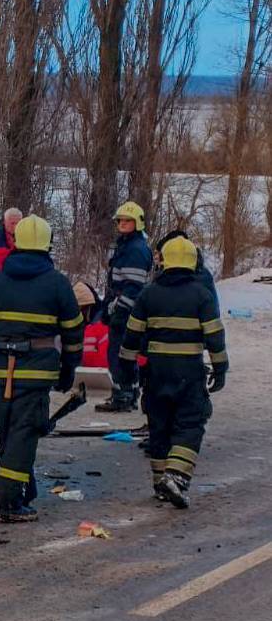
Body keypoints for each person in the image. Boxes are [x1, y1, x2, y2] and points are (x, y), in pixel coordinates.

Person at [0, 215, 83, 523]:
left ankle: (22, 489)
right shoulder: (57, 283)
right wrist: (68, 370)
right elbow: (73, 333)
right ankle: (9, 500)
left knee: (9, 435)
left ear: (15, 242)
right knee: (23, 435)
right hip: (35, 375)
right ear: (47, 245)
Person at [118, 236, 227, 509]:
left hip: (155, 371)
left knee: (159, 424)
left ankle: (160, 483)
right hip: (188, 371)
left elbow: (131, 335)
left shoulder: (149, 293)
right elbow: (215, 335)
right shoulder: (201, 294)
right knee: (190, 422)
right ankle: (176, 477)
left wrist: (126, 369)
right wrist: (221, 367)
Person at [96, 201, 153, 413]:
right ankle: (127, 393)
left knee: (119, 354)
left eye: (127, 220)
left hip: (126, 310)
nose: (122, 223)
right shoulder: (127, 245)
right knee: (123, 353)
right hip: (121, 306)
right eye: (120, 220)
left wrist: (119, 311)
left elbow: (134, 286)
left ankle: (123, 395)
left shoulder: (135, 249)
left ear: (136, 223)